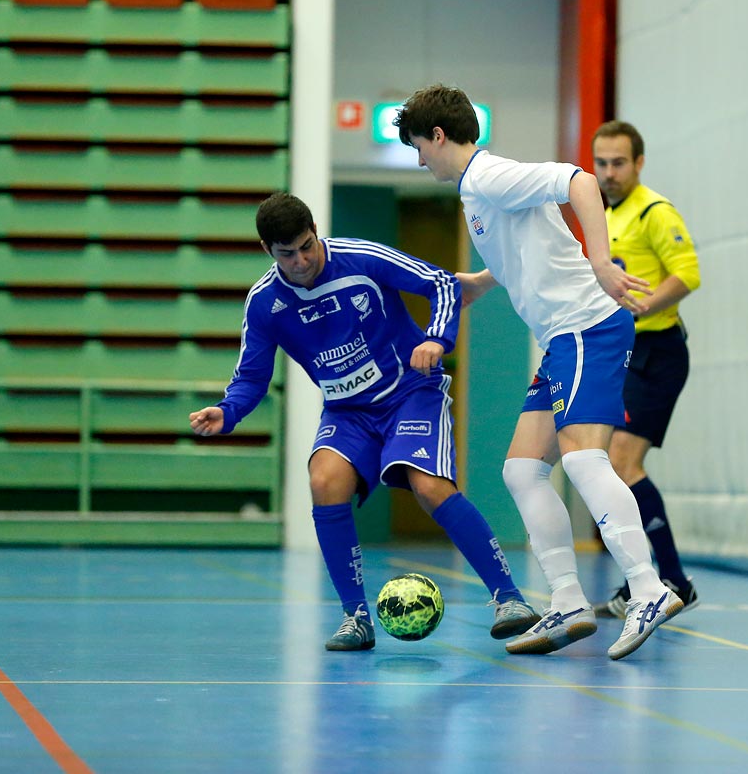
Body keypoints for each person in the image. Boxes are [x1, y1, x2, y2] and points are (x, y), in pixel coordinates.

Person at [397, 84, 683, 661]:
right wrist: (477, 283)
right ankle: (569, 600)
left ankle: (651, 589)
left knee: (582, 459)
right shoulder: (476, 192)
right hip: (561, 339)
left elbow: (578, 180)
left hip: (587, 327)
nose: (418, 159)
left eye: (417, 147)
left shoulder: (488, 176)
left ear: (438, 135)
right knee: (522, 471)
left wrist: (601, 262)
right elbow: (528, 253)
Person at [187, 192, 539, 652]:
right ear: (267, 252)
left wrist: (437, 338)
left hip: (410, 394)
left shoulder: (361, 258)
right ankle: (355, 617)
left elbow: (443, 284)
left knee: (429, 486)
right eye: (286, 254)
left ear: (315, 233)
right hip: (347, 412)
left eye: (307, 245)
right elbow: (252, 377)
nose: (301, 260)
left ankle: (509, 598)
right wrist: (227, 410)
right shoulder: (264, 304)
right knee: (324, 480)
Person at [587, 120, 702, 619]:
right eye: (601, 164)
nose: (609, 173)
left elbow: (689, 274)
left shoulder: (654, 212)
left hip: (658, 353)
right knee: (610, 465)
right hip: (627, 354)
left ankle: (671, 580)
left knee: (623, 464)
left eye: (618, 163)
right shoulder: (607, 215)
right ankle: (651, 580)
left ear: (638, 163)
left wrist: (643, 306)